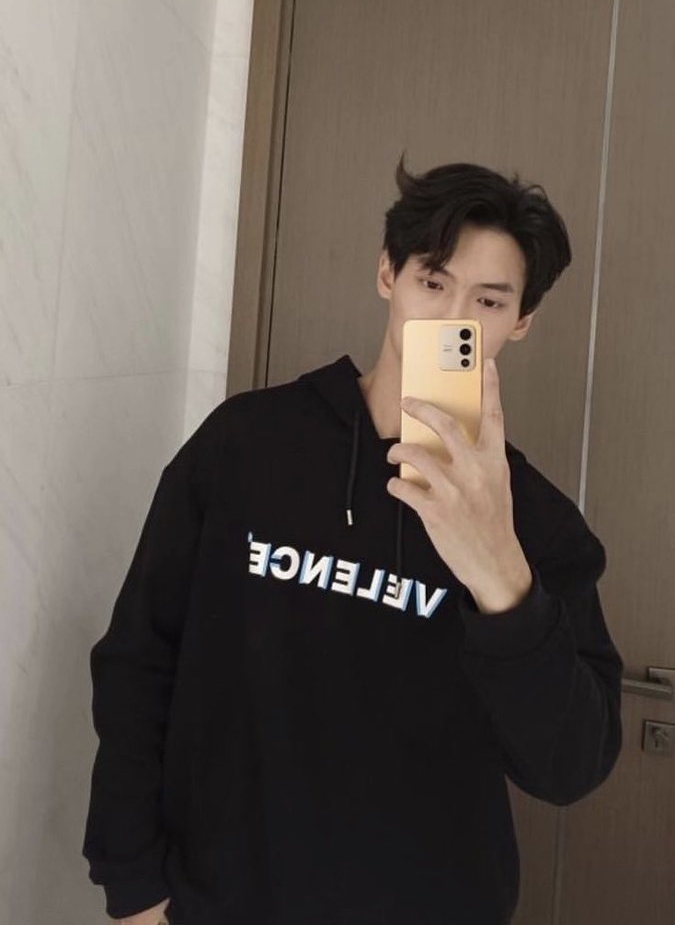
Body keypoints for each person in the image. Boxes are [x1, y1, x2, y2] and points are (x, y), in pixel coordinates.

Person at [82, 155, 624, 925]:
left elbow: (568, 767)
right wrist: (132, 883)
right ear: (387, 274)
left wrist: (499, 573)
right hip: (217, 899)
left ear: (520, 322)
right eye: (432, 281)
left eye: (488, 300)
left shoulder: (534, 519)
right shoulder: (246, 443)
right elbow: (139, 659)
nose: (450, 318)